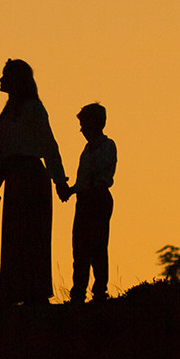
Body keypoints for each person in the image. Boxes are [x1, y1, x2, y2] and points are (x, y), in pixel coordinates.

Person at [0, 58, 67, 305]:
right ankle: (15, 290)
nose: (1, 80)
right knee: (15, 234)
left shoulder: (33, 108)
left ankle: (35, 292)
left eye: (6, 76)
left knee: (32, 234)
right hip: (13, 176)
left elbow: (49, 145)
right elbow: (3, 152)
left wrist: (59, 179)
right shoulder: (9, 112)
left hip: (32, 175)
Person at [60, 102, 117, 303]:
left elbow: (99, 174)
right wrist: (72, 190)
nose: (81, 129)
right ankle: (79, 292)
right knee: (80, 247)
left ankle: (99, 291)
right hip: (84, 200)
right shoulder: (87, 148)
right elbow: (84, 179)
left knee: (98, 246)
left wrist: (81, 188)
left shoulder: (107, 146)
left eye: (83, 123)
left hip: (98, 199)